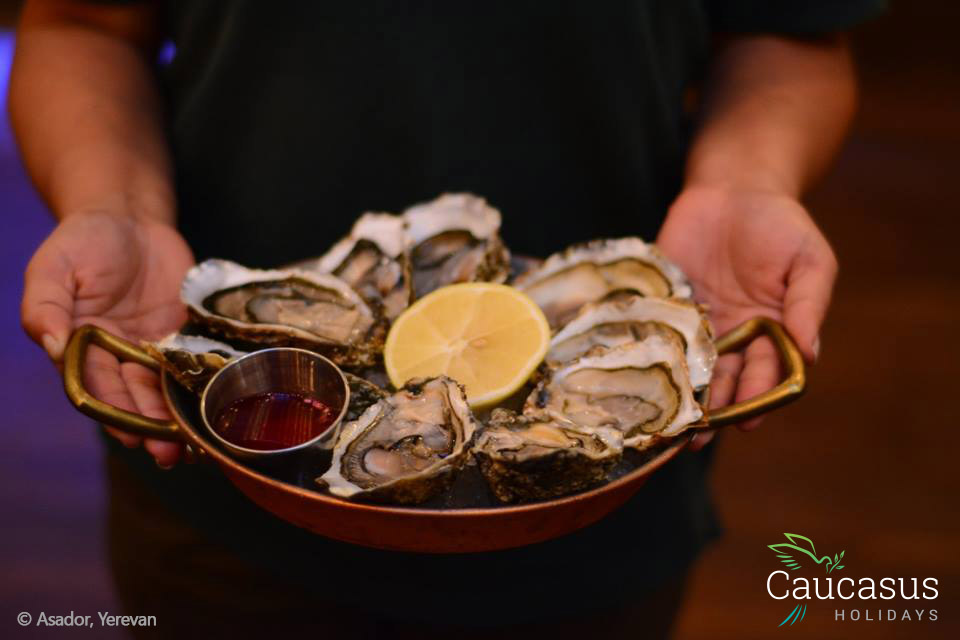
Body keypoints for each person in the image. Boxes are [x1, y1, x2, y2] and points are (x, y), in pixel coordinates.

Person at [11, 1, 883, 638]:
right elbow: (84, 21)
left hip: (599, 533)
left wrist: (745, 183)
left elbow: (788, 31)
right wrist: (113, 204)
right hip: (225, 478)